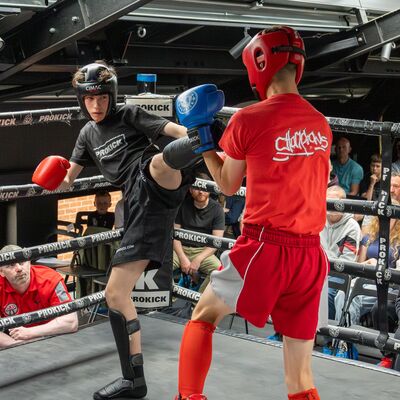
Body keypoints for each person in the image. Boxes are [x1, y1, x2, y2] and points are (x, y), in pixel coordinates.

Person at [32, 62, 223, 400]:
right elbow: (68, 180)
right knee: (116, 295)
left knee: (155, 163)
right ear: (81, 100)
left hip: (154, 178)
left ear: (112, 95)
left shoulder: (129, 114)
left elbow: (173, 132)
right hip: (139, 208)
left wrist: (196, 136)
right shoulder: (86, 135)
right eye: (89, 100)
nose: (96, 106)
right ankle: (132, 379)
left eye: (101, 98)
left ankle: (209, 137)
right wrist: (49, 179)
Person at [173, 26, 332, 400]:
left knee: (203, 315)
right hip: (311, 255)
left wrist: (203, 141)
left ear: (258, 65)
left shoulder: (249, 119)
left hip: (265, 248)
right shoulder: (321, 124)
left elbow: (227, 185)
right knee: (300, 374)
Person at [0, 244, 78, 349]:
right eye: (11, 265)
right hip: (16, 343)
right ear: (1, 272)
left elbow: (71, 321)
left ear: (29, 261)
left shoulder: (51, 279)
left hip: (52, 339)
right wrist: (19, 346)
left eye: (22, 262)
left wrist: (29, 333)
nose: (19, 268)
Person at [173, 173, 225, 293]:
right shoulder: (183, 205)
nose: (201, 192)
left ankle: (196, 302)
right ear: (191, 190)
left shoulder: (217, 209)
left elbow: (216, 241)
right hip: (181, 249)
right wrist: (182, 258)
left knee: (219, 271)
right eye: (197, 188)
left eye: (204, 188)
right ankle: (172, 299)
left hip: (203, 251)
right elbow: (174, 236)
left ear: (210, 190)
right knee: (161, 264)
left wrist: (198, 260)